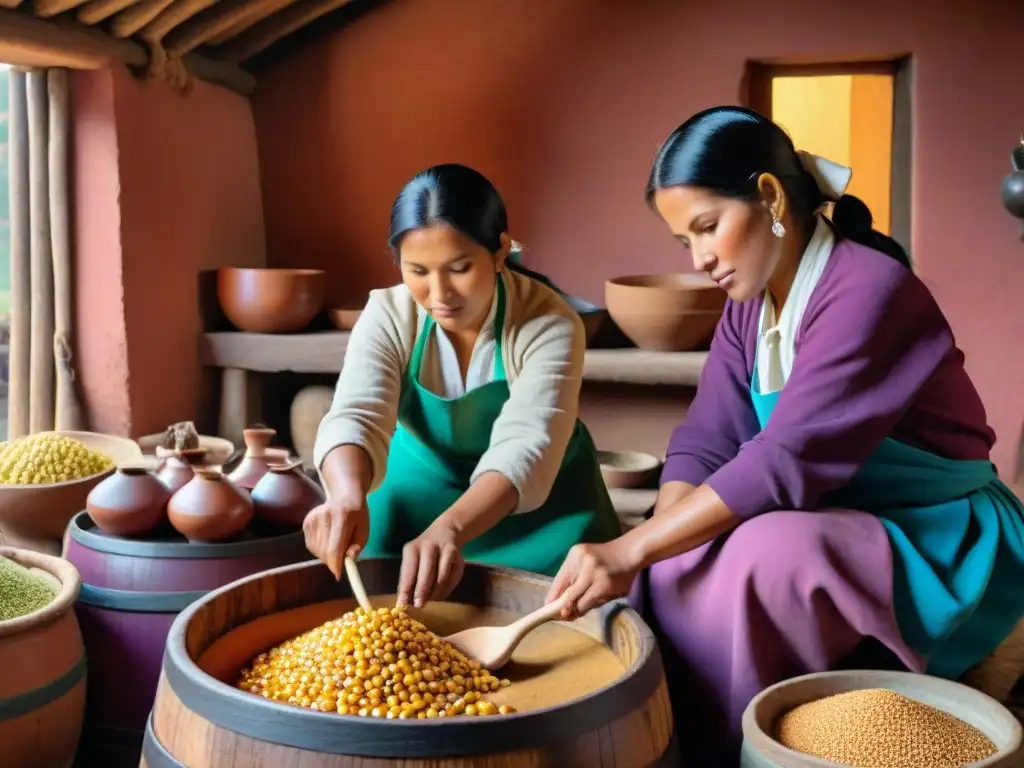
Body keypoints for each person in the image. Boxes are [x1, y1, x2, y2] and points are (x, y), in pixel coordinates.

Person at [544, 106, 1024, 763]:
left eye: (708, 228)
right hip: (838, 508)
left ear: (768, 195)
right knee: (672, 558)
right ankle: (672, 740)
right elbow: (709, 437)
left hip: (941, 532)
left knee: (761, 555)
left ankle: (746, 751)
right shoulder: (750, 308)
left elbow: (783, 458)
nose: (700, 257)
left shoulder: (869, 290)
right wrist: (654, 544)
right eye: (685, 241)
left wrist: (632, 549)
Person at [305, 163, 621, 610]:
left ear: (500, 251)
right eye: (417, 271)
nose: (440, 294)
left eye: (459, 268)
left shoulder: (550, 322)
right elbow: (357, 414)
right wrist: (346, 496)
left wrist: (451, 528)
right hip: (418, 494)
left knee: (573, 620)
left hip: (542, 511)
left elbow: (526, 447)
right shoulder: (388, 314)